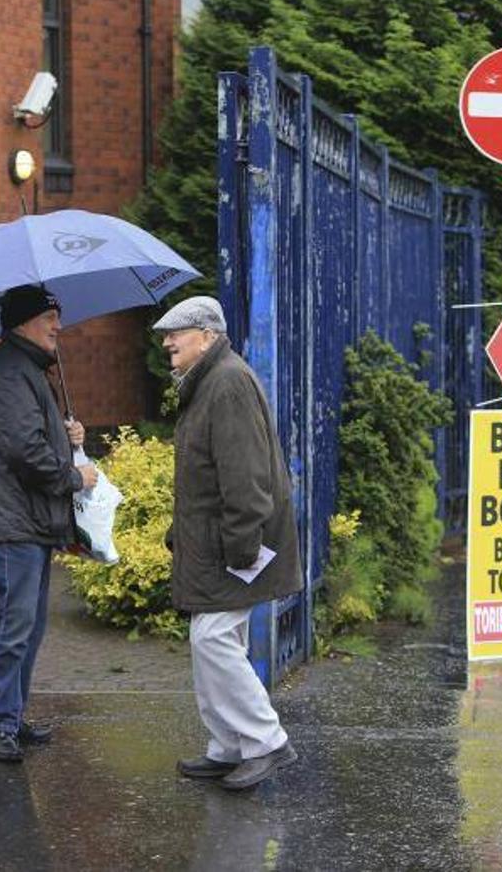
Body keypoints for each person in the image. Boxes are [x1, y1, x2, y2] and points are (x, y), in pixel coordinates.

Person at [154, 295, 302, 791]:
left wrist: (242, 546)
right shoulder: (208, 382)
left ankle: (265, 741)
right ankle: (228, 747)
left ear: (209, 337)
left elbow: (245, 476)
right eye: (166, 333)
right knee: (214, 639)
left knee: (212, 639)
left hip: (234, 545)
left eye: (178, 332)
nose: (167, 341)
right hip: (215, 542)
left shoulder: (226, 382)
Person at [0, 284, 97, 762]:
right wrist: (72, 475)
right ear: (24, 321)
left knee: (29, 625)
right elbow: (25, 451)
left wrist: (71, 437)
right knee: (16, 625)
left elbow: (34, 437)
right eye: (50, 318)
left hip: (29, 521)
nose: (59, 327)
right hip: (13, 522)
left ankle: (12, 713)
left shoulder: (25, 370)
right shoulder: (9, 374)